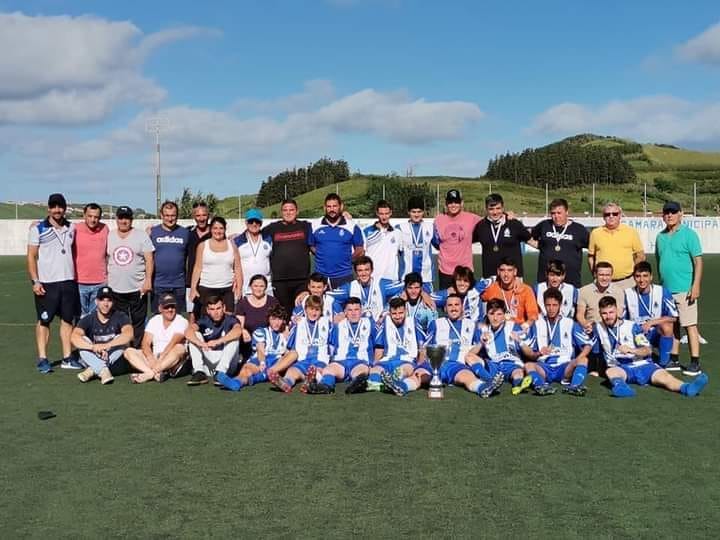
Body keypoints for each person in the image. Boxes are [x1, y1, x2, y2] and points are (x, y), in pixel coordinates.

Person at [593, 296, 708, 398]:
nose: (608, 316)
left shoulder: (632, 327)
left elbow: (647, 350)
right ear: (600, 313)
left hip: (643, 364)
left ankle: (687, 388)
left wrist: (631, 350)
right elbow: (596, 351)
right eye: (604, 313)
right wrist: (596, 370)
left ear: (617, 311)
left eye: (611, 312)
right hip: (622, 367)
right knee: (611, 372)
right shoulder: (597, 328)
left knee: (665, 377)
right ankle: (623, 390)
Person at [28, 193, 81, 372]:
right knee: (44, 321)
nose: (57, 210)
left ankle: (67, 357)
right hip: (47, 283)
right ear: (48, 208)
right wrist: (35, 281)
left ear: (65, 208)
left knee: (67, 320)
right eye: (54, 206)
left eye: (60, 206)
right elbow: (31, 256)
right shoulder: (38, 229)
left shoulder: (72, 227)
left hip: (68, 281)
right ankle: (43, 358)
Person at [655, 201, 704, 376]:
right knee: (672, 324)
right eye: (666, 212)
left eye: (673, 212)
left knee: (689, 325)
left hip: (684, 288)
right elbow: (659, 260)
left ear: (680, 214)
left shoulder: (689, 235)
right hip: (667, 290)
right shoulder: (660, 236)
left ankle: (695, 362)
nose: (669, 215)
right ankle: (674, 358)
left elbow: (698, 261)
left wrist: (695, 285)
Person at [424, 295, 502, 398]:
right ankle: (401, 386)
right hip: (437, 364)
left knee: (466, 376)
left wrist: (481, 343)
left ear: (462, 307)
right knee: (420, 374)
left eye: (457, 304)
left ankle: (483, 387)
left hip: (457, 365)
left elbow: (474, 352)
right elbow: (426, 348)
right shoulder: (435, 323)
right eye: (450, 305)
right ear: (445, 309)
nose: (453, 308)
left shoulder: (472, 325)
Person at [521, 288, 593, 396]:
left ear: (560, 305)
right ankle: (541, 386)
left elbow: (588, 345)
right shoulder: (537, 324)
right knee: (528, 366)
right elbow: (528, 349)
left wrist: (578, 359)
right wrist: (538, 353)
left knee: (583, 360)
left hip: (564, 367)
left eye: (554, 305)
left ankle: (574, 386)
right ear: (544, 305)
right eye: (548, 305)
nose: (551, 309)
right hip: (544, 367)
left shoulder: (570, 323)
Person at [305, 297, 376, 394]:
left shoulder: (370, 323)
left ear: (361, 310)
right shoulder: (338, 325)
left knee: (361, 371)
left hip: (360, 361)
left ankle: (356, 385)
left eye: (356, 309)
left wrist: (374, 363)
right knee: (329, 370)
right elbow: (330, 345)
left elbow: (379, 346)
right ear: (345, 312)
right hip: (340, 362)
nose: (353, 313)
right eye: (350, 310)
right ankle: (325, 386)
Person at [107, 206, 155, 347]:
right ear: (116, 219)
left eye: (126, 218)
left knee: (138, 321)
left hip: (137, 288)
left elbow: (149, 260)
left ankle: (138, 349)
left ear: (131, 220)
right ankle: (122, 349)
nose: (124, 221)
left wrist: (148, 281)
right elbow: (104, 258)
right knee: (120, 322)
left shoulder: (141, 236)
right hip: (115, 288)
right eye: (121, 218)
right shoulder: (110, 236)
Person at [267, 295, 333, 393]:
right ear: (305, 309)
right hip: (302, 360)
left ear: (321, 311)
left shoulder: (327, 323)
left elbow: (332, 343)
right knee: (292, 371)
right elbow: (290, 345)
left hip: (319, 360)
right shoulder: (298, 323)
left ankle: (311, 381)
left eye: (317, 310)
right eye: (311, 309)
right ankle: (286, 383)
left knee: (318, 371)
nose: (313, 313)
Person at [216, 304, 289, 392]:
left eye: (279, 319)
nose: (276, 323)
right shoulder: (261, 331)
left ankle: (259, 377)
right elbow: (260, 349)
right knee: (246, 370)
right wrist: (262, 362)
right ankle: (236, 383)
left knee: (289, 356)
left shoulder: (286, 333)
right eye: (273, 319)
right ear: (268, 319)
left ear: (283, 320)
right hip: (261, 359)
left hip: (277, 362)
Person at [466, 299, 530, 396]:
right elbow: (471, 353)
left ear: (504, 315)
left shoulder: (514, 327)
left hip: (511, 363)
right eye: (492, 314)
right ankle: (490, 381)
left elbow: (528, 351)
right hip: (493, 365)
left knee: (517, 372)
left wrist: (519, 341)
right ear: (487, 314)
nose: (495, 318)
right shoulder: (482, 330)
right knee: (468, 357)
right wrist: (481, 343)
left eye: (499, 314)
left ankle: (518, 384)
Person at [72, 286, 133, 385]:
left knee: (121, 340)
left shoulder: (120, 316)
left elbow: (129, 334)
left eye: (109, 300)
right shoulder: (88, 319)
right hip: (95, 354)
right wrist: (93, 347)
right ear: (96, 302)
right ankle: (104, 370)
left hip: (114, 357)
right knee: (82, 342)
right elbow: (74, 337)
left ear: (113, 302)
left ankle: (92, 370)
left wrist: (106, 345)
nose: (106, 304)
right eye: (102, 300)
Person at [124, 292, 189, 383]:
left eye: (172, 306)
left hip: (171, 357)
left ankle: (150, 373)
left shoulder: (182, 321)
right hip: (154, 358)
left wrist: (162, 357)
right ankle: (152, 373)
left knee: (180, 348)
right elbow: (145, 343)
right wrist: (151, 357)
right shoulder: (154, 320)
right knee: (128, 351)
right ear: (160, 308)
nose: (170, 309)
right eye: (166, 307)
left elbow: (174, 342)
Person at [262, 199, 313, 315]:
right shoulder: (273, 228)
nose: (288, 212)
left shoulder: (305, 226)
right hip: (280, 281)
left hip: (302, 280)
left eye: (291, 210)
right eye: (285, 210)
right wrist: (236, 237)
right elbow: (254, 233)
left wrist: (345, 215)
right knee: (284, 314)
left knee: (301, 313)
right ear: (281, 212)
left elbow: (323, 224)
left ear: (297, 211)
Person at [623, 261, 677, 369]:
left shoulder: (662, 291)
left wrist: (651, 323)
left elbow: (673, 317)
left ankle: (663, 363)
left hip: (654, 332)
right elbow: (622, 319)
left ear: (651, 277)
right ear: (634, 278)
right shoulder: (627, 293)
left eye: (645, 276)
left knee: (667, 326)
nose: (642, 280)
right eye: (638, 276)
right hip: (636, 334)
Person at [368, 297, 427, 392]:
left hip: (407, 361)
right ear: (390, 313)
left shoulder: (413, 321)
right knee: (375, 372)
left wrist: (420, 364)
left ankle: (394, 382)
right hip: (387, 360)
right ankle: (380, 385)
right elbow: (379, 347)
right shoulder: (385, 322)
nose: (398, 316)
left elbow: (422, 346)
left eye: (400, 313)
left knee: (403, 371)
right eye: (394, 314)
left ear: (406, 311)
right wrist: (375, 363)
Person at [576, 261, 625, 375]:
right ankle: (590, 363)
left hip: (610, 326)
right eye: (601, 275)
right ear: (595, 275)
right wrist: (585, 324)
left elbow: (619, 314)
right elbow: (579, 314)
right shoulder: (584, 290)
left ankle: (604, 364)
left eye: (607, 275)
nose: (604, 278)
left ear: (611, 276)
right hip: (590, 326)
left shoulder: (618, 291)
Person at [189, 216, 242, 319]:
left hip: (227, 289)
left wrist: (239, 288)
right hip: (206, 288)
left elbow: (238, 268)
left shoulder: (232, 246)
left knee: (228, 319)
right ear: (211, 229)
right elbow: (197, 268)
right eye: (215, 228)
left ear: (225, 229)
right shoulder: (203, 245)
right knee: (206, 321)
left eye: (221, 228)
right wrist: (193, 288)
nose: (218, 231)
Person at [529, 198, 589, 287]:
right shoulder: (544, 225)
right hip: (545, 281)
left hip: (571, 282)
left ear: (567, 212)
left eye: (559, 213)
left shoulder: (579, 229)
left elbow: (592, 247)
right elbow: (528, 236)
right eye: (553, 213)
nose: (556, 217)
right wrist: (540, 246)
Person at [185, 296, 243, 386]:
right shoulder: (204, 320)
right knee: (195, 335)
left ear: (224, 308)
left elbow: (238, 331)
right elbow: (188, 331)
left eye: (218, 308)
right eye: (212, 309)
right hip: (209, 360)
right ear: (208, 310)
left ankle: (221, 373)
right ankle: (199, 372)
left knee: (234, 339)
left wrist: (218, 341)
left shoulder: (231, 319)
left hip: (227, 363)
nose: (216, 312)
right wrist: (200, 343)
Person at [310, 193, 364, 288]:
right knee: (320, 303)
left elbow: (359, 249)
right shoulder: (315, 225)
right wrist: (321, 254)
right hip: (321, 276)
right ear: (324, 208)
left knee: (345, 303)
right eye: (329, 206)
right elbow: (311, 245)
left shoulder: (351, 226)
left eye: (335, 206)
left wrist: (348, 259)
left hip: (344, 276)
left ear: (341, 206)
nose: (332, 209)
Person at [327, 255, 404, 322]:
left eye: (366, 270)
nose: (363, 274)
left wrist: (387, 310)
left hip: (378, 325)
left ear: (372, 270)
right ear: (356, 272)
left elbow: (403, 287)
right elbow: (330, 296)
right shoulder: (350, 287)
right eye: (360, 271)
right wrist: (341, 313)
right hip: (358, 327)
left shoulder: (381, 284)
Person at [472, 193, 531, 279]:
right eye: (491, 209)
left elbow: (532, 241)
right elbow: (466, 242)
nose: (495, 212)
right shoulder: (480, 226)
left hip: (513, 279)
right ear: (486, 209)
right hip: (490, 278)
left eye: (498, 208)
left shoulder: (514, 223)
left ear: (503, 208)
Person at [432, 189, 482, 289]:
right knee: (448, 303)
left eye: (456, 202)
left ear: (462, 203)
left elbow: (490, 221)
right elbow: (436, 243)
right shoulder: (438, 220)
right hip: (445, 272)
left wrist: (506, 214)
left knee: (467, 303)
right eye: (450, 202)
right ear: (446, 203)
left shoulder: (472, 218)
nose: (453, 205)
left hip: (465, 271)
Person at [588, 202, 644, 289]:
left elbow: (640, 256)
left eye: (614, 214)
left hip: (627, 282)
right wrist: (595, 274)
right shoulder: (595, 233)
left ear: (620, 215)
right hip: (602, 283)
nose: (611, 216)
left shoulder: (631, 232)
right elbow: (591, 256)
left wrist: (633, 272)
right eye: (607, 214)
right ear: (603, 216)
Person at [149, 201, 190, 313]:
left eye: (173, 215)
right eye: (167, 215)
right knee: (158, 318)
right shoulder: (153, 232)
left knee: (178, 319)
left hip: (178, 284)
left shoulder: (185, 233)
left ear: (177, 216)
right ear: (161, 215)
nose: (170, 219)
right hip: (158, 284)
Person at [73, 202, 109, 318]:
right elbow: (57, 227)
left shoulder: (105, 229)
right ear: (84, 215)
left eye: (96, 217)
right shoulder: (75, 228)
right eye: (90, 216)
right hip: (79, 283)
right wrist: (38, 223)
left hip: (100, 283)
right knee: (79, 318)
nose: (93, 220)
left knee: (95, 318)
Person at [481, 258, 539, 324]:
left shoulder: (526, 290)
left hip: (519, 330)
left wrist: (525, 326)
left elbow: (533, 315)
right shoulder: (491, 288)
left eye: (509, 270)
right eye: (502, 270)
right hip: (498, 330)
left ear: (515, 272)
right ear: (498, 272)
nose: (506, 274)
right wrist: (491, 279)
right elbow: (474, 291)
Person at [235, 274, 279, 359]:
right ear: (250, 286)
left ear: (266, 287)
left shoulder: (272, 301)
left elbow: (277, 322)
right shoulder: (243, 303)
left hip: (268, 339)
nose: (258, 289)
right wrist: (243, 330)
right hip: (249, 340)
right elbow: (238, 324)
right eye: (255, 286)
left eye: (261, 286)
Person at [396, 196, 435, 291]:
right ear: (408, 212)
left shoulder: (431, 227)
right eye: (413, 212)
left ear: (423, 212)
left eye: (419, 212)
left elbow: (442, 246)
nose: (416, 215)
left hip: (425, 278)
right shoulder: (399, 228)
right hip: (406, 277)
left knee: (427, 304)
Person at [234, 209, 273, 296]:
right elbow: (233, 264)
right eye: (251, 221)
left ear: (261, 223)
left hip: (266, 288)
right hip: (245, 288)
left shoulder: (269, 239)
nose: (254, 224)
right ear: (246, 223)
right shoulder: (237, 241)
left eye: (257, 221)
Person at [363, 200, 402, 281]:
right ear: (377, 213)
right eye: (381, 214)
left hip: (391, 279)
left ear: (391, 213)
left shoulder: (397, 233)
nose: (384, 217)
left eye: (387, 213)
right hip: (373, 278)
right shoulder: (366, 232)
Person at [185, 201, 211, 314]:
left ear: (208, 215)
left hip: (210, 280)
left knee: (211, 312)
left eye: (204, 215)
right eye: (198, 215)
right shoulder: (187, 233)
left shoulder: (216, 232)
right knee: (192, 314)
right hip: (191, 281)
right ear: (194, 217)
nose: (201, 218)